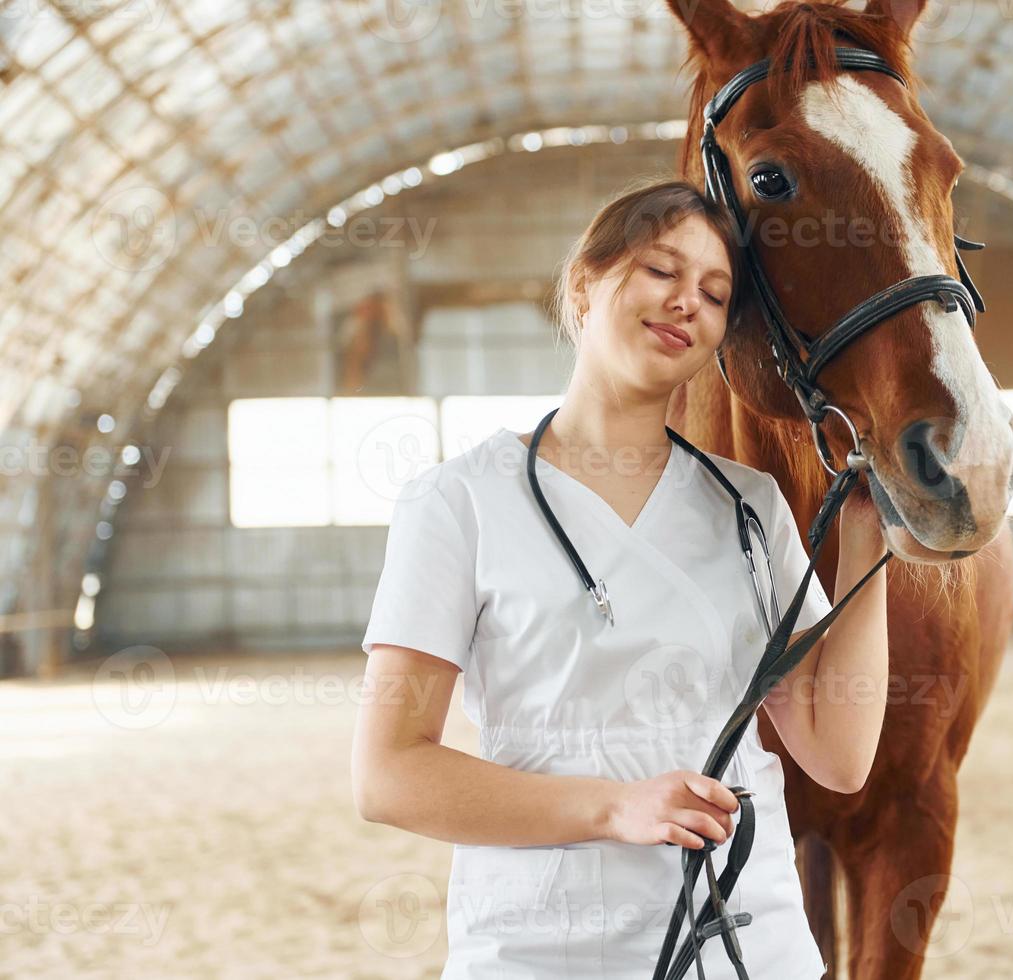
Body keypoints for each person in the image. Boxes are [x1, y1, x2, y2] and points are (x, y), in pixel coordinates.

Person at [352, 177, 889, 979]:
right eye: (661, 271)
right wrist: (615, 806)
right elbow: (390, 774)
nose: (687, 304)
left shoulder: (751, 509)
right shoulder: (458, 499)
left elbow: (839, 756)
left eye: (715, 294)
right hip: (544, 947)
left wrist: (870, 533)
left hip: (751, 942)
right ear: (583, 283)